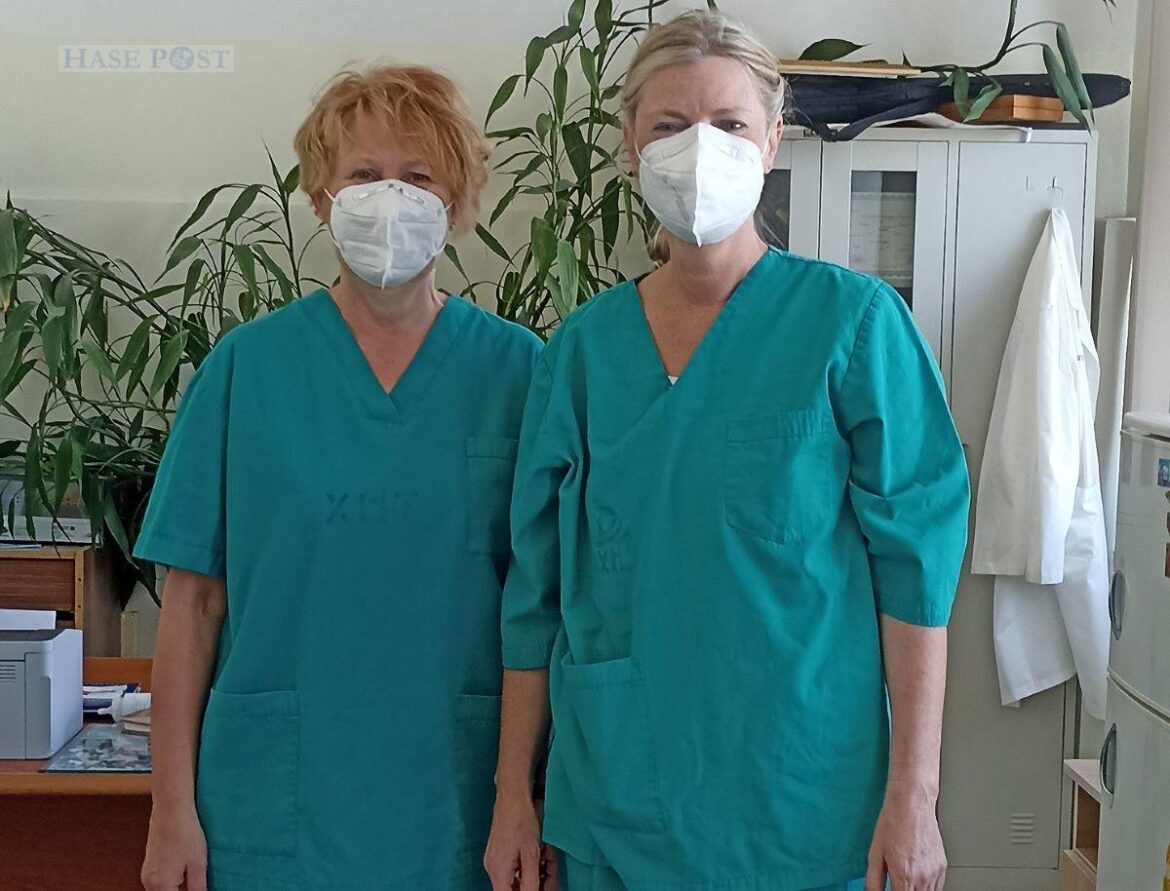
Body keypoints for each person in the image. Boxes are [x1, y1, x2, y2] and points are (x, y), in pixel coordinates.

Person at [485, 10, 970, 891]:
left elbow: (917, 577)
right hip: (617, 795)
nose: (697, 149)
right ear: (630, 144)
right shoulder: (583, 354)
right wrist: (513, 792)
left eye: (730, 125)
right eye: (669, 127)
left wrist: (916, 792)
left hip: (802, 801)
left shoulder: (853, 327)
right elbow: (536, 595)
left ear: (773, 140)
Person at [138, 65, 541, 891]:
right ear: (322, 195)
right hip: (275, 803)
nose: (389, 197)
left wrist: (518, 795)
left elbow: (540, 607)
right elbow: (192, 604)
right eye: (364, 175)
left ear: (458, 199)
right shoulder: (247, 369)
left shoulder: (519, 373)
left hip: (455, 803)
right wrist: (169, 807)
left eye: (418, 176)